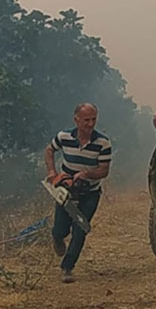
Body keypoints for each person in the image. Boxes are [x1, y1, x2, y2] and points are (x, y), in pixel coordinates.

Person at [44, 103, 113, 283]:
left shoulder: (103, 143)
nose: (90, 124)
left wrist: (87, 174)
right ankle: (58, 240)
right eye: (86, 120)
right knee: (60, 229)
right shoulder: (64, 136)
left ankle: (67, 267)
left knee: (81, 228)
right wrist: (52, 172)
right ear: (76, 120)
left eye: (93, 119)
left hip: (90, 192)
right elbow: (49, 150)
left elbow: (104, 170)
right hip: (66, 191)